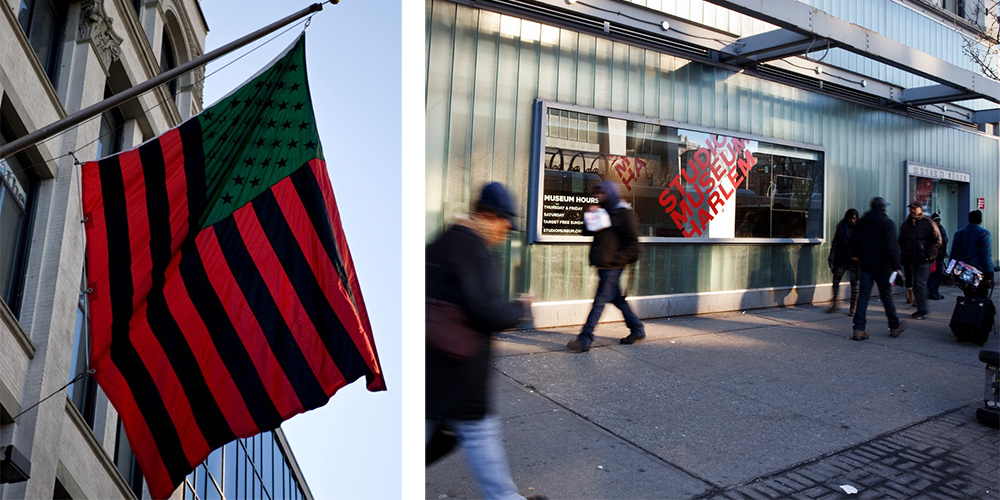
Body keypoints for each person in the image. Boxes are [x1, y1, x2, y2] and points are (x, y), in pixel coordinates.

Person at [425, 182, 544, 500]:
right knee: (480, 436)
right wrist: (520, 308)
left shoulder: (443, 241)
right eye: (505, 224)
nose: (505, 233)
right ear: (490, 216)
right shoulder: (472, 248)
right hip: (461, 376)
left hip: (433, 372)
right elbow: (487, 311)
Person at [567, 181, 644, 352]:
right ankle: (637, 329)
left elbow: (634, 244)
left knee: (599, 302)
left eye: (602, 193)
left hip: (612, 267)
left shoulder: (623, 213)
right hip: (603, 265)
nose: (598, 196)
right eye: (597, 193)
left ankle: (584, 339)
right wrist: (590, 215)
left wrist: (617, 259)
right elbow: (586, 231)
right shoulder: (603, 211)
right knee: (617, 299)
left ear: (611, 193)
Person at [850, 197, 907, 341]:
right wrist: (897, 267)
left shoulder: (862, 223)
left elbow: (854, 242)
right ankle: (894, 325)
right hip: (883, 267)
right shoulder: (887, 223)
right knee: (886, 297)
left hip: (866, 266)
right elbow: (892, 247)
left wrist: (858, 255)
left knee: (863, 297)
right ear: (883, 208)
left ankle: (858, 328)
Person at [898, 202, 941, 319]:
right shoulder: (906, 225)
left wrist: (928, 254)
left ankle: (922, 310)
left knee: (920, 283)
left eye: (915, 208)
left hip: (925, 260)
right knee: (916, 284)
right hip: (913, 259)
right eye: (911, 208)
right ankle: (920, 307)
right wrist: (906, 253)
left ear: (920, 209)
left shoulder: (928, 223)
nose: (912, 211)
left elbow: (937, 241)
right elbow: (901, 241)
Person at [950, 209, 995, 299]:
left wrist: (949, 270)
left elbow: (954, 255)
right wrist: (990, 275)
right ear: (980, 220)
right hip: (978, 273)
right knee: (980, 299)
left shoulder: (959, 234)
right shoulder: (984, 233)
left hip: (962, 273)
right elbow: (986, 255)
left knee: (968, 297)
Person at [828, 208, 860, 315]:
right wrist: (831, 258)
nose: (853, 221)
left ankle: (853, 306)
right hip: (843, 257)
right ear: (847, 218)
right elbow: (835, 243)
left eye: (855, 218)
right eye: (851, 218)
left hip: (855, 259)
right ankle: (834, 302)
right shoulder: (842, 227)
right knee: (836, 279)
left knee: (854, 283)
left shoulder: (860, 229)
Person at [927, 213, 948, 300]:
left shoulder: (939, 228)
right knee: (935, 275)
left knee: (937, 275)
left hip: (939, 256)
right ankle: (932, 292)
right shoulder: (933, 229)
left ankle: (934, 292)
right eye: (937, 221)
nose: (938, 222)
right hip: (935, 256)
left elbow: (944, 241)